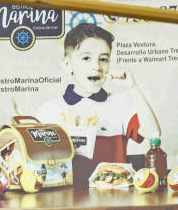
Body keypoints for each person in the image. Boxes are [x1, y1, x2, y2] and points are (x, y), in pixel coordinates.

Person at [36, 23, 162, 188]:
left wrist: (133, 88)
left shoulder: (120, 104)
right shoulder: (49, 112)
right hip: (66, 203)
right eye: (86, 58)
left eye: (103, 59)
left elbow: (154, 134)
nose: (96, 66)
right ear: (68, 65)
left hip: (113, 201)